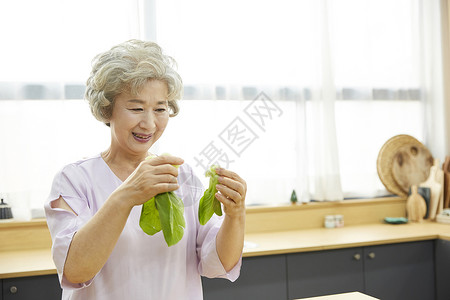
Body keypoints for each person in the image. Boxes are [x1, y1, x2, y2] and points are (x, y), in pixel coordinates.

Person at [44, 39, 247, 299]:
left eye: (160, 109)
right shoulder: (73, 180)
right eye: (136, 108)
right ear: (107, 109)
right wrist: (127, 194)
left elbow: (217, 264)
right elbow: (75, 271)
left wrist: (236, 215)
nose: (149, 123)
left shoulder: (181, 176)